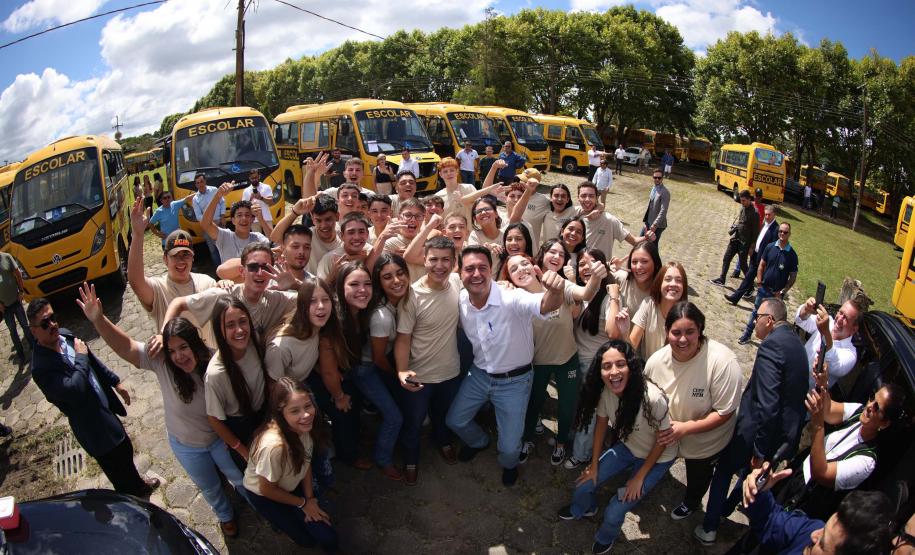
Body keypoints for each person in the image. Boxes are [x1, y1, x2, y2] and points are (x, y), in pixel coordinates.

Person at [77, 283, 243, 537]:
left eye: (183, 347)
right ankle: (225, 515)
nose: (178, 356)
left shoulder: (214, 361)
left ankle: (260, 505)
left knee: (239, 478)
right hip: (187, 445)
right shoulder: (161, 360)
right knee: (209, 486)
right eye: (172, 350)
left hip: (220, 439)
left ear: (196, 344)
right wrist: (98, 320)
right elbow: (127, 348)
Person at [446, 245, 566, 487]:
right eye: (470, 269)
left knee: (510, 448)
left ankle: (509, 465)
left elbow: (546, 304)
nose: (476, 274)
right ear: (460, 273)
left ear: (491, 270)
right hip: (479, 374)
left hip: (515, 382)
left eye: (482, 268)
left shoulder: (511, 297)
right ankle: (479, 442)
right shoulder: (461, 299)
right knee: (455, 420)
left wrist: (555, 290)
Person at [696, 297, 808, 545]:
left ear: (769, 320)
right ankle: (726, 508)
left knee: (724, 470)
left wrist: (758, 450)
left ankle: (710, 526)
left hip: (757, 431)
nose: (753, 321)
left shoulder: (771, 346)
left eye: (757, 317)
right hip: (781, 435)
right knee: (751, 475)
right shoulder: (795, 344)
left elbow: (767, 403)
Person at [29, 297, 160, 496]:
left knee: (125, 449)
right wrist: (81, 357)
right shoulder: (41, 368)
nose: (53, 325)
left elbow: (93, 362)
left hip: (105, 410)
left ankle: (137, 483)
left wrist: (115, 382)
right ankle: (133, 499)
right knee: (116, 468)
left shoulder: (65, 336)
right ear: (33, 331)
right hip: (93, 428)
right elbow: (74, 389)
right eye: (45, 323)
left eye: (53, 318)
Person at [558, 340, 677, 555]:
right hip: (628, 447)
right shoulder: (606, 392)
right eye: (607, 366)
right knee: (583, 485)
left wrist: (639, 477)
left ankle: (605, 537)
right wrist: (594, 465)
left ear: (631, 366)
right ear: (599, 371)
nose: (614, 372)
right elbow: (601, 426)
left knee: (615, 509)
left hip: (658, 457)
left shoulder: (653, 399)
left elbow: (662, 442)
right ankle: (584, 508)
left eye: (620, 364)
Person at [644, 301, 744, 520]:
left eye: (690, 332)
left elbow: (724, 412)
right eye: (676, 332)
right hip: (668, 435)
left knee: (699, 475)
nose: (683, 339)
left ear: (700, 329)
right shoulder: (656, 362)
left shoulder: (723, 363)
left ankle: (692, 502)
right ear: (666, 331)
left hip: (704, 444)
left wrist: (686, 428)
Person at [510, 252, 605, 466]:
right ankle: (527, 440)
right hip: (537, 363)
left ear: (534, 266)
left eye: (524, 263)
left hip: (567, 360)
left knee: (566, 406)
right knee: (533, 404)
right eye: (513, 269)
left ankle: (561, 444)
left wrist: (596, 278)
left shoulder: (559, 284)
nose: (521, 269)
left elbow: (586, 293)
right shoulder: (514, 299)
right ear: (510, 278)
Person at [775, 367, 908, 520]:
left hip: (804, 499)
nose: (870, 406)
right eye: (872, 397)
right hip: (798, 472)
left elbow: (821, 473)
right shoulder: (859, 411)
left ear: (884, 424)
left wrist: (818, 425)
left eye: (877, 407)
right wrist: (823, 384)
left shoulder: (866, 461)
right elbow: (829, 410)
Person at [395, 237, 464, 484]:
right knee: (414, 423)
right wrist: (402, 371)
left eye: (446, 260)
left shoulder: (456, 282)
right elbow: (403, 338)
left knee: (442, 414)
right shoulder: (412, 295)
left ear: (454, 262)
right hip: (420, 376)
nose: (439, 265)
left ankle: (443, 441)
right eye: (433, 259)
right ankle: (411, 459)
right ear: (424, 260)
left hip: (450, 371)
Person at [243, 378, 339, 553]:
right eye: (295, 411)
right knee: (305, 540)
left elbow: (306, 463)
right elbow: (267, 489)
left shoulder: (304, 428)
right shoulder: (274, 448)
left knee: (326, 534)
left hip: (291, 485)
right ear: (281, 413)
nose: (306, 415)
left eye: (308, 406)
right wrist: (302, 503)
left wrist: (310, 499)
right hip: (267, 495)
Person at [339, 259, 405, 480]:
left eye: (400, 274)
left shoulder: (395, 303)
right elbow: (378, 358)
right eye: (387, 277)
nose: (396, 281)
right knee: (394, 416)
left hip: (372, 365)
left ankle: (371, 432)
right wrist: (396, 375)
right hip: (366, 369)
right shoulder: (381, 317)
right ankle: (383, 458)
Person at [740, 463, 896, 554]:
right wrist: (759, 491)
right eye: (824, 528)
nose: (814, 536)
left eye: (822, 544)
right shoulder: (813, 530)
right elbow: (772, 522)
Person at [164, 243, 297, 340]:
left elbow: (308, 297)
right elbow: (178, 303)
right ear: (242, 271)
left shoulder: (275, 298)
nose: (260, 273)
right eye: (253, 267)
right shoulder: (225, 295)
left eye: (266, 267)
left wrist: (295, 285)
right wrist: (163, 335)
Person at [129, 199, 217, 330]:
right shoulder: (158, 289)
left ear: (193, 257)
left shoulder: (207, 283)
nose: (181, 260)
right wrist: (137, 234)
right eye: (175, 255)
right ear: (165, 259)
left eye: (186, 254)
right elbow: (136, 282)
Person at [205, 296, 269, 471]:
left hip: (264, 415)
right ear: (219, 330)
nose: (239, 330)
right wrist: (241, 450)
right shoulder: (215, 374)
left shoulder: (254, 341)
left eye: (243, 321)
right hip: (241, 428)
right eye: (230, 325)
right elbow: (214, 419)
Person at [565, 248, 615, 470]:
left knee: (589, 411)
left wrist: (616, 296)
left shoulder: (609, 297)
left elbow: (613, 332)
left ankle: (581, 453)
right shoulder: (584, 291)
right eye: (582, 264)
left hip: (594, 366)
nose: (586, 268)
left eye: (591, 262)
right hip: (577, 360)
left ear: (603, 266)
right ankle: (570, 438)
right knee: (577, 405)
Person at [738, 223, 798, 345]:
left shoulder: (792, 255)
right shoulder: (770, 247)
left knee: (774, 320)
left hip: (776, 294)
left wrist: (783, 292)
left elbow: (793, 277)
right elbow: (761, 264)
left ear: (789, 234)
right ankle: (747, 334)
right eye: (780, 231)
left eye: (785, 232)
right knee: (756, 312)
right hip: (764, 289)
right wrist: (759, 281)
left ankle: (769, 343)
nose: (782, 234)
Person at [616, 261, 688, 360]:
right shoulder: (649, 304)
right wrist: (625, 332)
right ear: (660, 283)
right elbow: (632, 348)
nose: (673, 284)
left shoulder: (688, 314)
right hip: (648, 367)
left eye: (679, 280)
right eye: (668, 279)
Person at [795, 296, 861, 389]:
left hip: (806, 394)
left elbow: (833, 363)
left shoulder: (850, 355)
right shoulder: (828, 322)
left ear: (854, 329)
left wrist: (825, 332)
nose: (839, 319)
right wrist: (806, 309)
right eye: (840, 312)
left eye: (846, 318)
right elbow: (801, 320)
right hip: (792, 373)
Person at [201, 183, 270, 262]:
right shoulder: (224, 236)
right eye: (239, 215)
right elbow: (205, 224)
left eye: (247, 215)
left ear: (252, 219)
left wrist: (261, 219)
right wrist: (218, 196)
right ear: (233, 220)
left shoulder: (258, 237)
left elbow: (274, 241)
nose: (244, 218)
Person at [725, 204, 779, 304]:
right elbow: (758, 237)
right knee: (748, 278)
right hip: (755, 255)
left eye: (769, 215)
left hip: (763, 260)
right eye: (766, 214)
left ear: (774, 215)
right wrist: (752, 248)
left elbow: (773, 248)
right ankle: (738, 296)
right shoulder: (764, 224)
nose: (767, 216)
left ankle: (765, 302)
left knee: (755, 280)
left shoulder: (776, 229)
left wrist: (765, 261)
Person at [577, 181, 642, 260]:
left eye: (591, 196)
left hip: (601, 267)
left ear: (596, 198)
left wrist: (648, 236)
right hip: (578, 266)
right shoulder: (575, 215)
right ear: (578, 198)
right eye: (583, 196)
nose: (587, 199)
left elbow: (634, 241)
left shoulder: (609, 220)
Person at [710, 190, 759, 285]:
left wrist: (752, 247)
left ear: (749, 199)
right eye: (741, 200)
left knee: (743, 265)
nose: (742, 202)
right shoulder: (743, 208)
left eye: (744, 200)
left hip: (745, 243)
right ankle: (722, 279)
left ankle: (749, 284)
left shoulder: (755, 213)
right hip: (736, 239)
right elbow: (741, 221)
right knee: (726, 258)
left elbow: (756, 232)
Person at [315, 212, 371, 284]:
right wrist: (332, 275)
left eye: (361, 232)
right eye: (351, 232)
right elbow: (318, 289)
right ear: (342, 236)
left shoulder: (373, 254)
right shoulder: (329, 260)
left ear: (367, 234)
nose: (356, 237)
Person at [0, 250, 33, 368]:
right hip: (4, 306)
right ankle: (21, 356)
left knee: (25, 325)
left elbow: (18, 274)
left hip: (16, 300)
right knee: (13, 331)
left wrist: (21, 291)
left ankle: (34, 348)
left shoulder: (6, 257)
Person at [190, 172, 226, 265]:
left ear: (205, 181)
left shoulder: (214, 190)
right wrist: (209, 222)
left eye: (201, 181)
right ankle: (218, 270)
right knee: (213, 250)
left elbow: (222, 202)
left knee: (225, 246)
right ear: (196, 185)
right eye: (197, 183)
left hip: (219, 222)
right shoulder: (195, 199)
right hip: (207, 226)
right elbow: (198, 216)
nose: (200, 184)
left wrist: (222, 216)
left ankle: (228, 267)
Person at [641, 169, 669, 246]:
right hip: (649, 221)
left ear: (662, 178)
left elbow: (663, 210)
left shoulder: (665, 192)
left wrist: (655, 224)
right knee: (641, 242)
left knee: (652, 246)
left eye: (659, 178)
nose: (657, 179)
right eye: (655, 177)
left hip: (657, 225)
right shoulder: (654, 188)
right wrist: (646, 221)